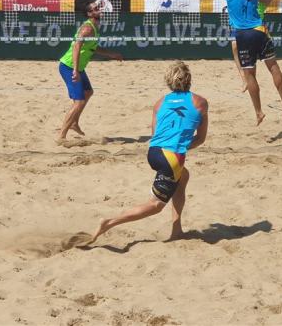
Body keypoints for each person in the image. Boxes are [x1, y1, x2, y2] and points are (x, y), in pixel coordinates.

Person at [87, 61, 208, 244]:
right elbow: (200, 139)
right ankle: (109, 223)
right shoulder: (200, 102)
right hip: (172, 157)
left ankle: (177, 230)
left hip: (154, 153)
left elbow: (155, 135)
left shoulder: (159, 103)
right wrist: (180, 148)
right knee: (156, 205)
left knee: (182, 177)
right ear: (189, 79)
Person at [58, 0, 123, 140]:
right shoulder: (87, 28)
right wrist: (75, 70)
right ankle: (61, 136)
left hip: (78, 67)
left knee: (88, 92)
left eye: (98, 7)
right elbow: (76, 47)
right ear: (89, 14)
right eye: (95, 8)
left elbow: (93, 47)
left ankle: (74, 123)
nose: (99, 9)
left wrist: (111, 54)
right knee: (79, 101)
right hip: (69, 66)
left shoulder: (94, 27)